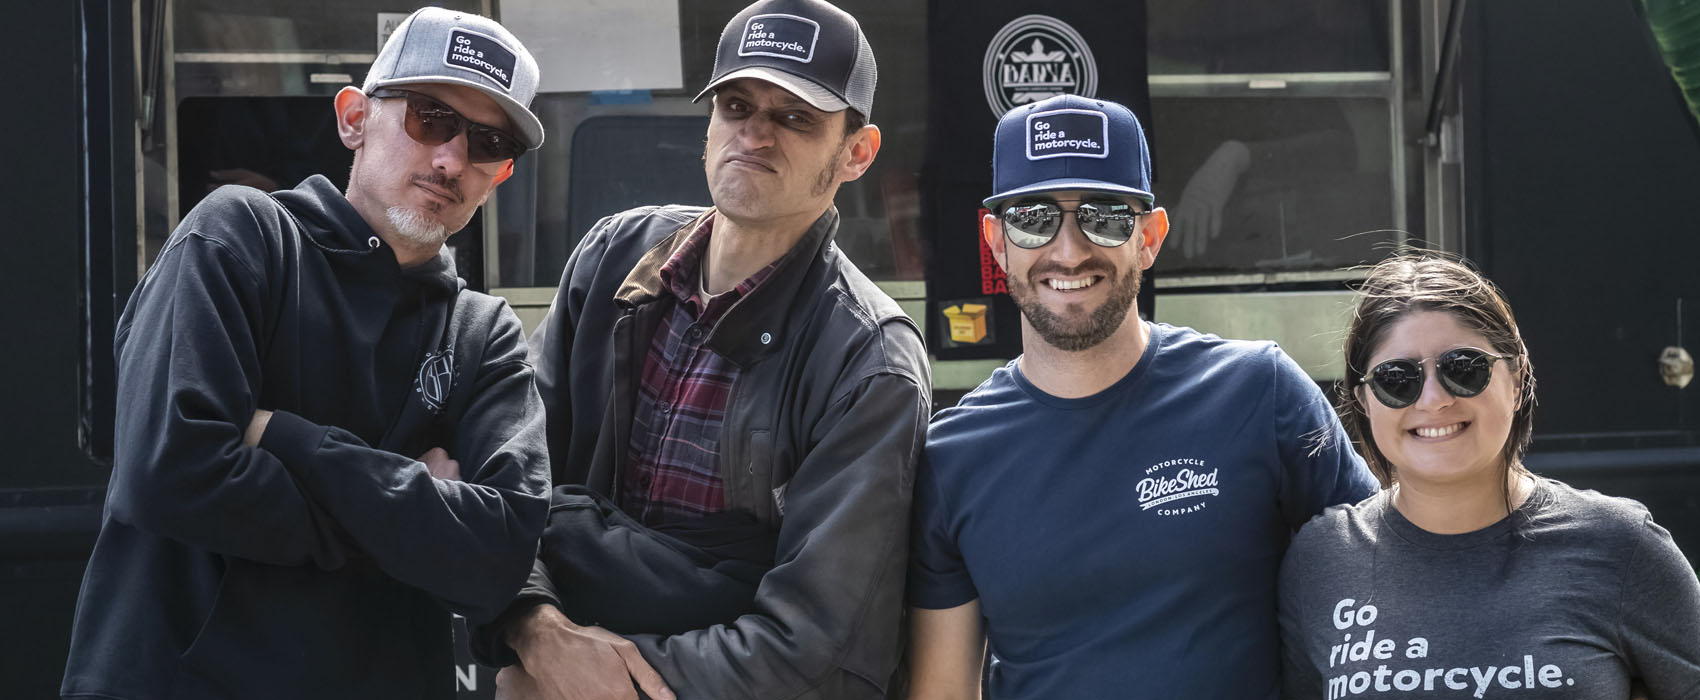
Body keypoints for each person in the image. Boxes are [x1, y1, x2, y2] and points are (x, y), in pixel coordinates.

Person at [61, 8, 552, 699]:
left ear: (499, 174)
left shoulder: (483, 334)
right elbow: (169, 474)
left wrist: (282, 436)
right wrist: (409, 511)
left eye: (486, 141)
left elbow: (498, 552)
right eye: (429, 119)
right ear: (354, 118)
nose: (451, 159)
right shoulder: (240, 238)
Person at [473, 1, 930, 699]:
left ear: (857, 153)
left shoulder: (869, 363)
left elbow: (819, 651)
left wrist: (598, 679)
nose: (755, 134)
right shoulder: (611, 259)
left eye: (796, 116)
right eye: (737, 104)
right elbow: (502, 493)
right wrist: (538, 630)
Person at [904, 93, 1379, 700]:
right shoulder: (952, 456)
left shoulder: (1259, 392)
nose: (1069, 250)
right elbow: (943, 690)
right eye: (1033, 218)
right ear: (996, 241)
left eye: (1103, 216)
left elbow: (1382, 582)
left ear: (1150, 236)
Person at [1278, 255, 1700, 699]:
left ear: (1516, 381)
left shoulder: (1621, 545)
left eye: (1464, 368)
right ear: (1365, 400)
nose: (1435, 399)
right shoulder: (1319, 560)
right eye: (1397, 379)